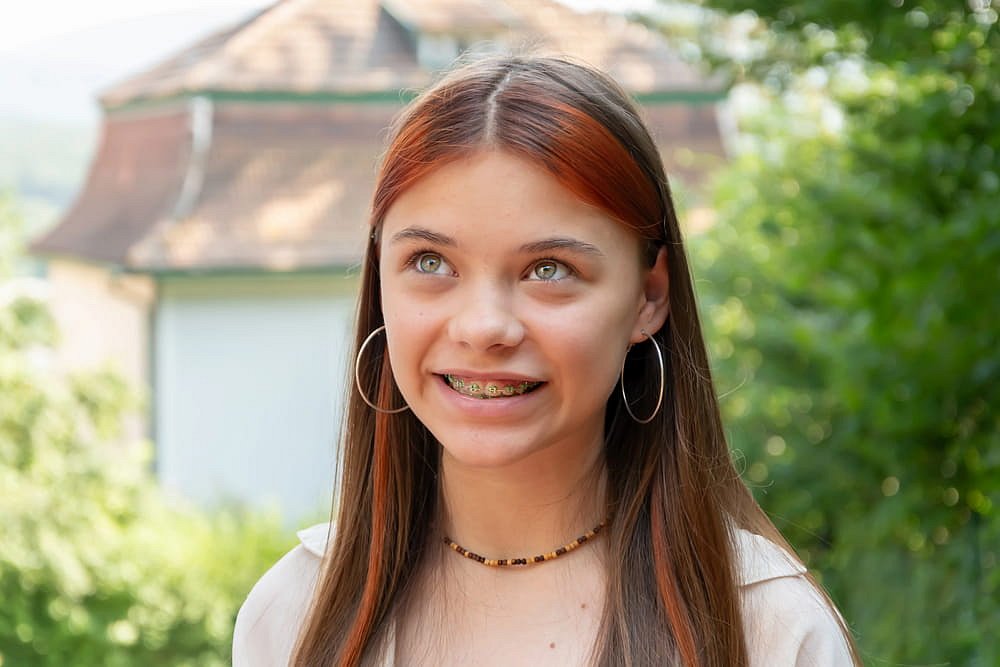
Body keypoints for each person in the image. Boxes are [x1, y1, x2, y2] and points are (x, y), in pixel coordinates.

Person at [232, 55, 860, 666]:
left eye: (549, 270)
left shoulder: (768, 631)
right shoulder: (291, 617)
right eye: (430, 263)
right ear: (379, 287)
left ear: (649, 297)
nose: (484, 328)